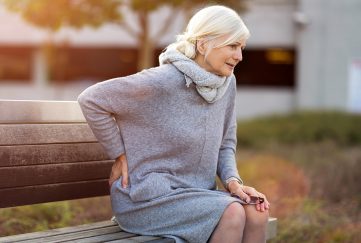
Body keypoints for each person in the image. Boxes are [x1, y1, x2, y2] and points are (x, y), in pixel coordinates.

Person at [78, 5, 270, 243]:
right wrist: (118, 154)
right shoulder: (163, 80)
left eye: (242, 48)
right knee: (231, 213)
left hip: (198, 195)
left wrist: (233, 183)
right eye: (232, 46)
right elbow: (92, 99)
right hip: (147, 199)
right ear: (203, 44)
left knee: (257, 211)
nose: (239, 56)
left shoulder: (227, 84)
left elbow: (226, 142)